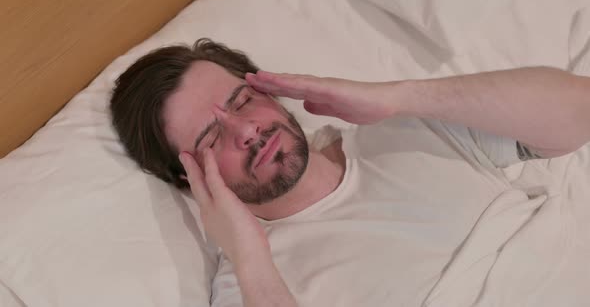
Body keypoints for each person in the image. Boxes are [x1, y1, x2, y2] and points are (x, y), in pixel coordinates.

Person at [110, 38, 590, 307]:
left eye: (243, 101)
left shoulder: (403, 126)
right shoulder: (251, 285)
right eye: (211, 140)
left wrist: (403, 96)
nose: (248, 130)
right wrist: (252, 260)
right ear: (187, 181)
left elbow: (579, 111)